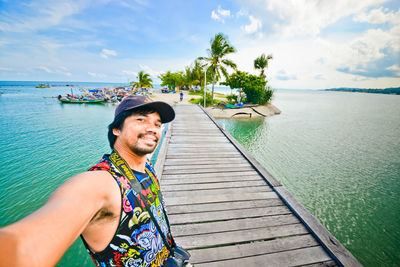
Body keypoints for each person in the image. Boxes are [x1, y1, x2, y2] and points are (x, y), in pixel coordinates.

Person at [0, 95, 188, 267]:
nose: (152, 128)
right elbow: (22, 247)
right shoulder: (101, 183)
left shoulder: (145, 165)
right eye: (141, 119)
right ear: (116, 129)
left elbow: (148, 141)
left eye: (157, 124)